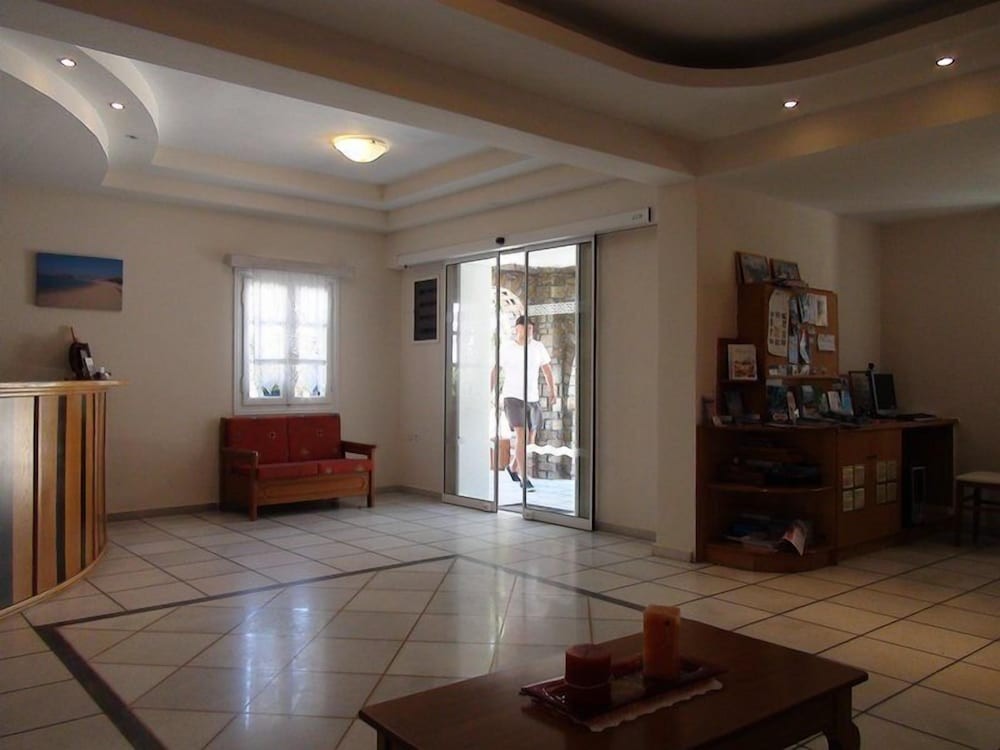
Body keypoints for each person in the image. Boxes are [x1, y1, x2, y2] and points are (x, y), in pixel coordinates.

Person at [489, 315, 556, 492]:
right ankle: (523, 477)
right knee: (521, 433)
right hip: (512, 397)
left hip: (532, 398)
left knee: (530, 438)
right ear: (517, 329)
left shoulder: (538, 347)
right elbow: (495, 370)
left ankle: (512, 467)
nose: (529, 331)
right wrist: (489, 390)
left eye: (531, 329)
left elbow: (547, 369)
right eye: (525, 328)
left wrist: (553, 390)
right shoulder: (507, 348)